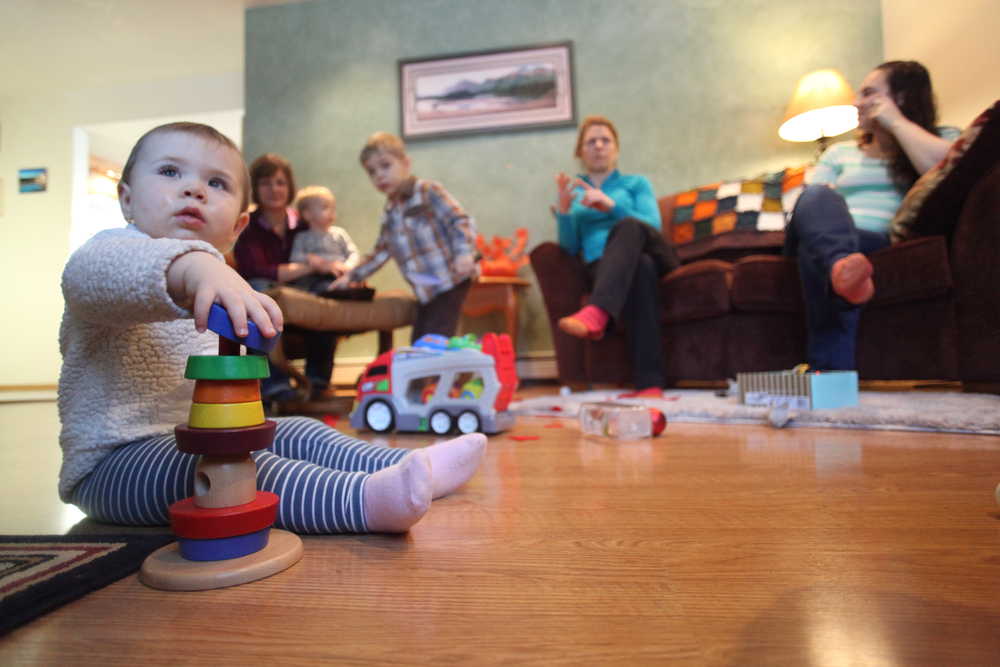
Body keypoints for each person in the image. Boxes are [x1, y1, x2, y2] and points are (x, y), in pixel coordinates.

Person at [58, 122, 486, 534]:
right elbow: (103, 276)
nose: (193, 189)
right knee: (238, 471)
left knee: (298, 430)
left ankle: (408, 467)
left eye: (217, 183)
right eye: (170, 171)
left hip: (202, 440)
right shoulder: (109, 251)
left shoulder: (218, 274)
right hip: (113, 466)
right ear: (127, 199)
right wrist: (194, 268)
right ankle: (363, 499)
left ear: (237, 227)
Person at [783, 61, 958, 370]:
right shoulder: (839, 153)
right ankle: (841, 266)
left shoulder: (940, 138)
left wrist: (895, 123)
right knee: (817, 196)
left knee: (817, 253)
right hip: (826, 232)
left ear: (900, 98)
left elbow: (951, 175)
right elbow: (806, 206)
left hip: (874, 242)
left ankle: (830, 366)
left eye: (868, 93)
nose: (855, 103)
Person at [553, 115, 680, 394]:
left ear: (616, 149)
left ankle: (597, 312)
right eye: (591, 142)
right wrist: (563, 213)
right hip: (605, 268)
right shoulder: (575, 193)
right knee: (640, 269)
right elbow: (571, 248)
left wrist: (611, 205)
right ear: (580, 152)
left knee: (630, 228)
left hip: (654, 251)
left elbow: (653, 226)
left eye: (605, 140)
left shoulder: (636, 184)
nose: (598, 146)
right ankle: (650, 383)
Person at [330, 132, 478, 342]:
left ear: (406, 163)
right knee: (418, 342)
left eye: (385, 166)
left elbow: (459, 220)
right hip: (426, 291)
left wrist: (464, 254)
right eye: (371, 172)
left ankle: (437, 374)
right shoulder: (390, 212)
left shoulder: (427, 191)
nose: (379, 175)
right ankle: (436, 374)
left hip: (450, 280)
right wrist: (351, 276)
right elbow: (380, 252)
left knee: (434, 341)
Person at [232, 154, 338, 400]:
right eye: (266, 183)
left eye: (280, 182)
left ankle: (318, 382)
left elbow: (327, 256)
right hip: (264, 290)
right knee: (258, 289)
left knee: (325, 290)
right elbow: (256, 270)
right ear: (255, 188)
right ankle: (274, 385)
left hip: (302, 292)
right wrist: (310, 266)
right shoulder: (247, 225)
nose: (274, 189)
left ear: (290, 186)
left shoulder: (303, 222)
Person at [288, 185, 360, 295]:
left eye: (333, 207)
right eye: (325, 207)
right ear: (307, 215)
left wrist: (348, 266)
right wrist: (309, 258)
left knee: (355, 282)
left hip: (340, 273)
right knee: (314, 286)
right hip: (316, 276)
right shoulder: (302, 237)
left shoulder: (339, 233)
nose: (332, 211)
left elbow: (353, 253)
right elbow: (294, 257)